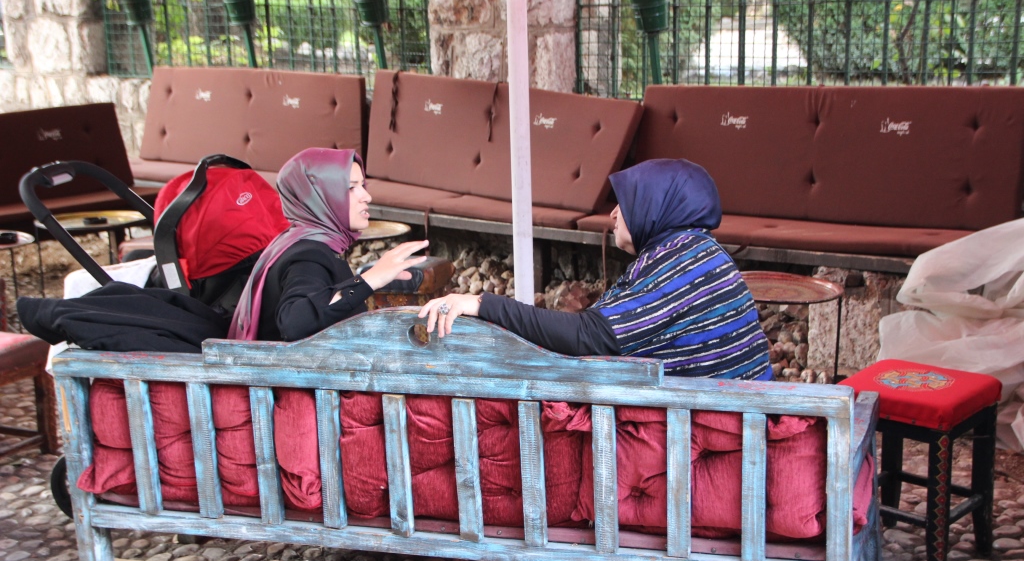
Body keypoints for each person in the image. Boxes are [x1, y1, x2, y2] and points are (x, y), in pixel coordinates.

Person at [419, 158, 772, 380]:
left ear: (656, 207)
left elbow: (588, 337)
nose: (614, 214)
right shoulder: (696, 250)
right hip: (729, 415)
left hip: (717, 427)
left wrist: (482, 304)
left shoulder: (681, 261)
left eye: (627, 202)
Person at [230, 147, 428, 341]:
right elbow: (294, 323)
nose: (366, 197)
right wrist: (369, 280)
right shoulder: (309, 255)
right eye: (351, 188)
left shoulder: (295, 241)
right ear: (320, 196)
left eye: (362, 185)